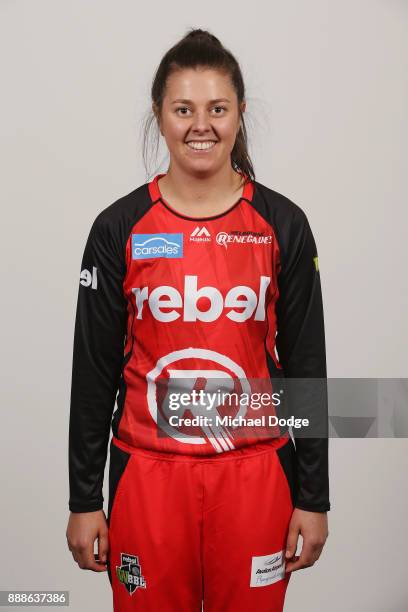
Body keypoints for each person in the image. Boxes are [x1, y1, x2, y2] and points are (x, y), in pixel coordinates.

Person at [66, 27, 330, 612]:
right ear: (159, 116)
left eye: (217, 108)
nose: (200, 124)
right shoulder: (119, 228)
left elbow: (307, 367)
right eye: (183, 108)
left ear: (239, 116)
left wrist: (315, 497)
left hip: (257, 474)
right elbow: (93, 372)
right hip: (147, 476)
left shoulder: (282, 224)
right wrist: (84, 498)